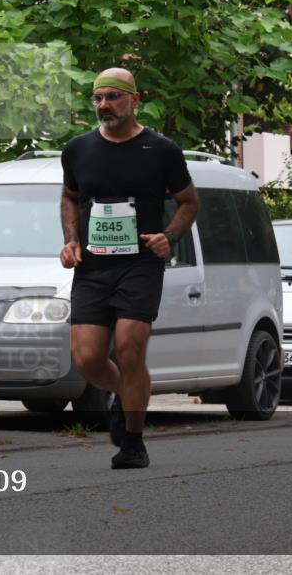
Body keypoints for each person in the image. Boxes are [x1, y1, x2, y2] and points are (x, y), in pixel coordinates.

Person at [60, 68, 199, 469]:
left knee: (129, 347)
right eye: (98, 98)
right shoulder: (78, 149)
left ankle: (133, 441)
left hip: (139, 265)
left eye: (113, 97)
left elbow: (189, 201)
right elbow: (69, 197)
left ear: (134, 99)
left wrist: (169, 238)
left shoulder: (161, 150)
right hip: (92, 266)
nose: (104, 104)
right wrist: (71, 240)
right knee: (86, 359)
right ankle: (128, 395)